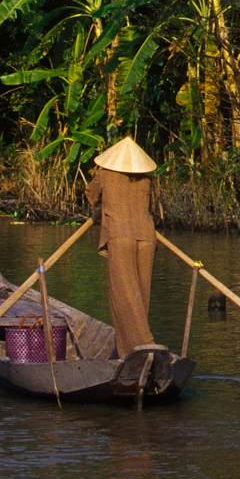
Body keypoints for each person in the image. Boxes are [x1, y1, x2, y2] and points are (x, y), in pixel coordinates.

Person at [84, 136, 158, 356]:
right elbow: (149, 207)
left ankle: (142, 345)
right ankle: (136, 347)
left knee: (124, 293)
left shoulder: (105, 174)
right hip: (146, 237)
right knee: (140, 295)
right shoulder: (146, 180)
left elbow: (90, 196)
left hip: (120, 235)